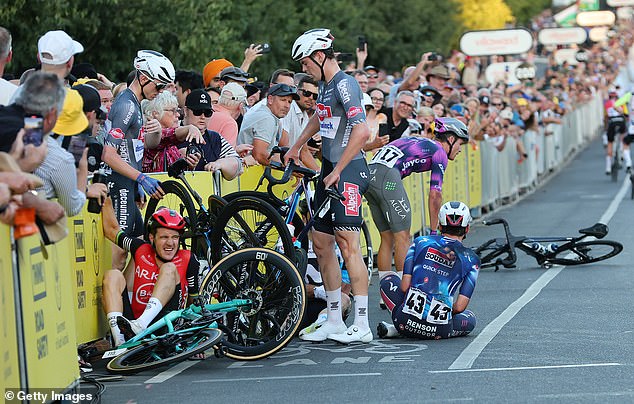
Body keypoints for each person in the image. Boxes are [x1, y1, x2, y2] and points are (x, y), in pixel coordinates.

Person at [287, 28, 372, 343]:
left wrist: (338, 168)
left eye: (306, 62)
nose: (303, 68)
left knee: (349, 245)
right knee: (321, 243)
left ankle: (361, 324)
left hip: (348, 171)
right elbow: (318, 119)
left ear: (320, 56)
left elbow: (361, 131)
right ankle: (334, 318)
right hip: (329, 169)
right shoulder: (324, 86)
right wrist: (297, 145)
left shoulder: (345, 83)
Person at [365, 117, 470, 301]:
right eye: (460, 143)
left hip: (370, 175)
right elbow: (435, 195)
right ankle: (401, 293)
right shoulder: (439, 153)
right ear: (451, 139)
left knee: (387, 237)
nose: (461, 149)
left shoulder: (422, 141)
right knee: (403, 237)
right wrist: (434, 230)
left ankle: (386, 293)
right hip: (387, 180)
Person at [101, 50, 174, 270]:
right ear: (143, 78)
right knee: (120, 254)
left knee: (142, 249)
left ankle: (127, 301)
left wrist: (136, 183)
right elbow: (108, 154)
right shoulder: (127, 106)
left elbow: (132, 149)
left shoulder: (137, 104)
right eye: (158, 86)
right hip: (118, 183)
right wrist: (140, 178)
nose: (160, 92)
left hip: (128, 183)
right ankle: (113, 303)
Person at [100, 197, 200, 346]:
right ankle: (120, 340)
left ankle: (140, 325)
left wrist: (195, 341)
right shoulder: (140, 247)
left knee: (169, 268)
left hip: (166, 328)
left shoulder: (189, 259)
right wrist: (105, 198)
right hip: (131, 324)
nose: (170, 243)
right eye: (164, 237)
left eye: (175, 237)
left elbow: (194, 301)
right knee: (112, 275)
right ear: (152, 238)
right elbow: (111, 230)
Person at [378, 201, 479, 340]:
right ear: (467, 228)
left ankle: (397, 329)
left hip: (405, 322)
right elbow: (460, 307)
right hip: (440, 330)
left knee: (388, 279)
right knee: (470, 318)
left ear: (440, 225)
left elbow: (404, 286)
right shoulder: (472, 260)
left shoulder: (420, 241)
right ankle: (407, 328)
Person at [181, 89, 246, 179]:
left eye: (208, 113)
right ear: (185, 111)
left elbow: (238, 166)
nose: (203, 117)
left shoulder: (215, 138)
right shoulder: (173, 134)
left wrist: (219, 164)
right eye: (197, 112)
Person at [238, 83, 298, 166]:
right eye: (283, 100)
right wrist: (285, 170)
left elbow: (273, 154)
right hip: (247, 173)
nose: (287, 106)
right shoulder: (266, 118)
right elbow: (259, 155)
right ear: (270, 99)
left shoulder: (270, 116)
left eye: (290, 102)